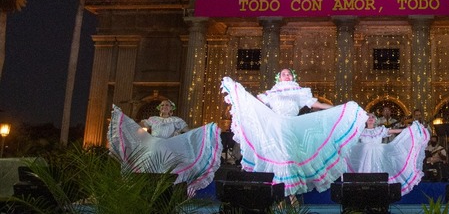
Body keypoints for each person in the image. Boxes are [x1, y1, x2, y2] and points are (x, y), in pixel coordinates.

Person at [221, 68, 368, 195]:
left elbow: (318, 104)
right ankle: (282, 195)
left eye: (289, 74)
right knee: (282, 157)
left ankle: (289, 196)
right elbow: (253, 103)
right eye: (283, 74)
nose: (286, 75)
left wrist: (339, 109)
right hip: (276, 127)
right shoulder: (271, 93)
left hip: (293, 126)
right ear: (279, 78)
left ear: (293, 77)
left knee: (290, 156)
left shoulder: (299, 93)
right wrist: (238, 93)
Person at [108, 100, 221, 196]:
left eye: (167, 105)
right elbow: (138, 126)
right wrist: (126, 121)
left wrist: (206, 130)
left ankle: (166, 193)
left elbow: (187, 131)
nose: (164, 106)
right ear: (159, 108)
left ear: (171, 108)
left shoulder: (176, 120)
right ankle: (147, 191)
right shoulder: (153, 119)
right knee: (148, 167)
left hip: (169, 146)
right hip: (153, 145)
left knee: (168, 170)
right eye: (162, 105)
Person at [344, 113, 430, 195]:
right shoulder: (361, 131)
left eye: (372, 117)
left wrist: (408, 130)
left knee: (379, 175)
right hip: (365, 158)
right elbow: (349, 137)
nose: (370, 118)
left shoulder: (379, 130)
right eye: (368, 117)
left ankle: (378, 195)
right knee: (364, 176)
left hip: (378, 156)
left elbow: (394, 131)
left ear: (375, 120)